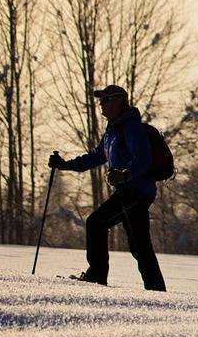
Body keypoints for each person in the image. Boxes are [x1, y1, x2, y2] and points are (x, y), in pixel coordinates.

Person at [49, 84, 166, 291]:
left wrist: (125, 174)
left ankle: (96, 277)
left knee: (96, 222)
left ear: (119, 100)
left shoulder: (131, 127)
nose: (101, 104)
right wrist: (66, 165)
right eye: (100, 100)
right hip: (131, 191)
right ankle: (156, 290)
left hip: (136, 191)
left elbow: (143, 159)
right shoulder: (113, 130)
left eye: (105, 99)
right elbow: (95, 156)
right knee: (139, 244)